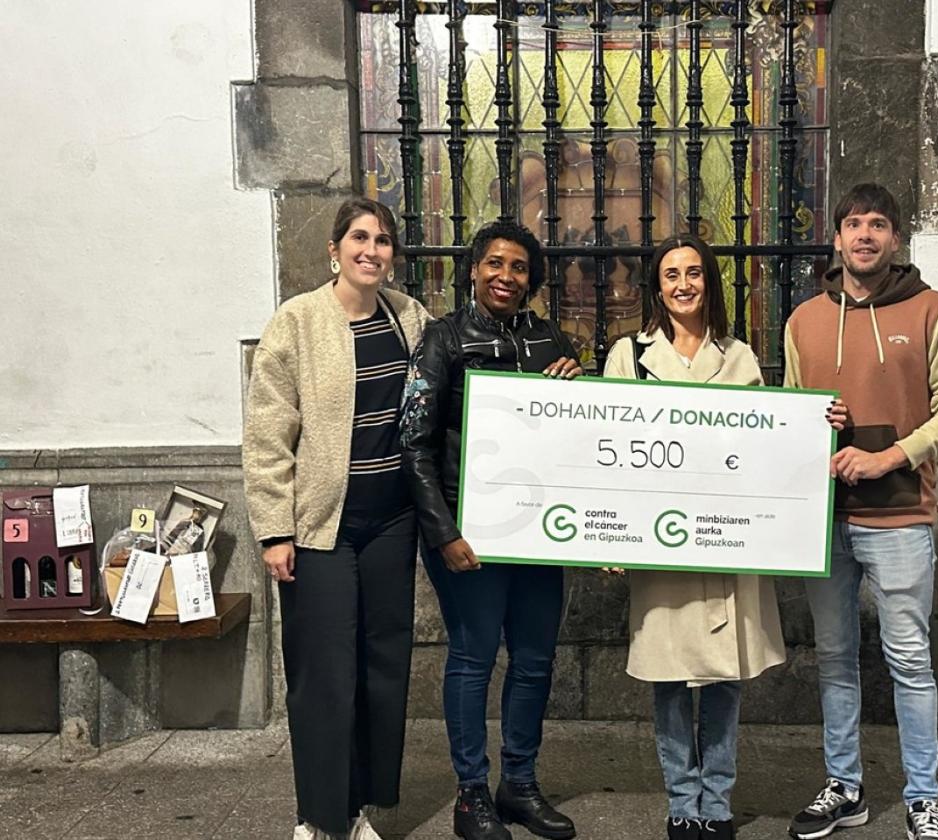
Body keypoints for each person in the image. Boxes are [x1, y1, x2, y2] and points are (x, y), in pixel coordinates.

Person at [783, 183, 938, 840]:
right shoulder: (804, 320)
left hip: (898, 516)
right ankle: (846, 786)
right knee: (835, 657)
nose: (864, 235)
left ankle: (923, 796)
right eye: (853, 224)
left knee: (908, 660)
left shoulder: (934, 311)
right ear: (836, 238)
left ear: (895, 238)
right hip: (824, 520)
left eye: (878, 224)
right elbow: (790, 415)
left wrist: (891, 454)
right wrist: (816, 422)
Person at [244, 197, 431, 840]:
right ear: (334, 248)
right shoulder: (295, 323)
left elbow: (452, 382)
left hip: (391, 522)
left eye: (382, 241)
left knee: (382, 666)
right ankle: (318, 817)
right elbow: (268, 434)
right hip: (320, 525)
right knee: (323, 672)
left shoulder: (410, 318)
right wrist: (274, 531)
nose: (371, 250)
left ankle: (357, 809)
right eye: (359, 237)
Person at [602, 234, 791, 840]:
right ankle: (682, 801)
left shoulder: (740, 358)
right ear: (656, 287)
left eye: (693, 273)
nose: (683, 285)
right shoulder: (628, 356)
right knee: (668, 676)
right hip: (661, 546)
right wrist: (607, 536)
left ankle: (717, 802)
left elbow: (765, 449)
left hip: (727, 545)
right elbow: (606, 454)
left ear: (709, 280)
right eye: (670, 275)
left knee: (726, 679)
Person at [399, 220, 582, 840]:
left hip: (535, 532)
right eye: (495, 264)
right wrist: (443, 532)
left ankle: (520, 786)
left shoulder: (549, 338)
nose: (507, 276)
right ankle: (471, 793)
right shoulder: (442, 340)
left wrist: (574, 396)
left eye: (520, 267)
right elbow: (414, 445)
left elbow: (567, 439)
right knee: (474, 657)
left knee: (534, 660)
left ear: (533, 279)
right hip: (468, 530)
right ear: (474, 270)